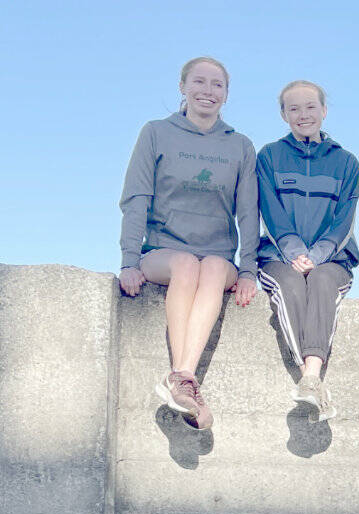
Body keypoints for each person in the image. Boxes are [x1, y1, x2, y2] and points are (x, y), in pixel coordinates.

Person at [118, 56, 258, 431]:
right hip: (162, 252)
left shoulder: (241, 145)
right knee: (186, 265)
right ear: (183, 87)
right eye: (199, 82)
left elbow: (248, 214)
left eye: (217, 85)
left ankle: (181, 377)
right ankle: (186, 381)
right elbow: (136, 198)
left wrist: (248, 271)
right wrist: (129, 260)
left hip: (219, 255)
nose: (207, 91)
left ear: (227, 94)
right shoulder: (156, 132)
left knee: (210, 267)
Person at [257, 80, 359, 421]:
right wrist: (294, 253)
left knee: (321, 282)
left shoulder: (347, 163)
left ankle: (310, 377)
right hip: (279, 256)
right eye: (294, 108)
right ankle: (313, 381)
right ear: (284, 114)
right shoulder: (269, 157)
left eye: (311, 107)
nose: (303, 115)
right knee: (288, 286)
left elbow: (344, 222)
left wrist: (315, 257)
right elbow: (270, 212)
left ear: (324, 111)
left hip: (332, 259)